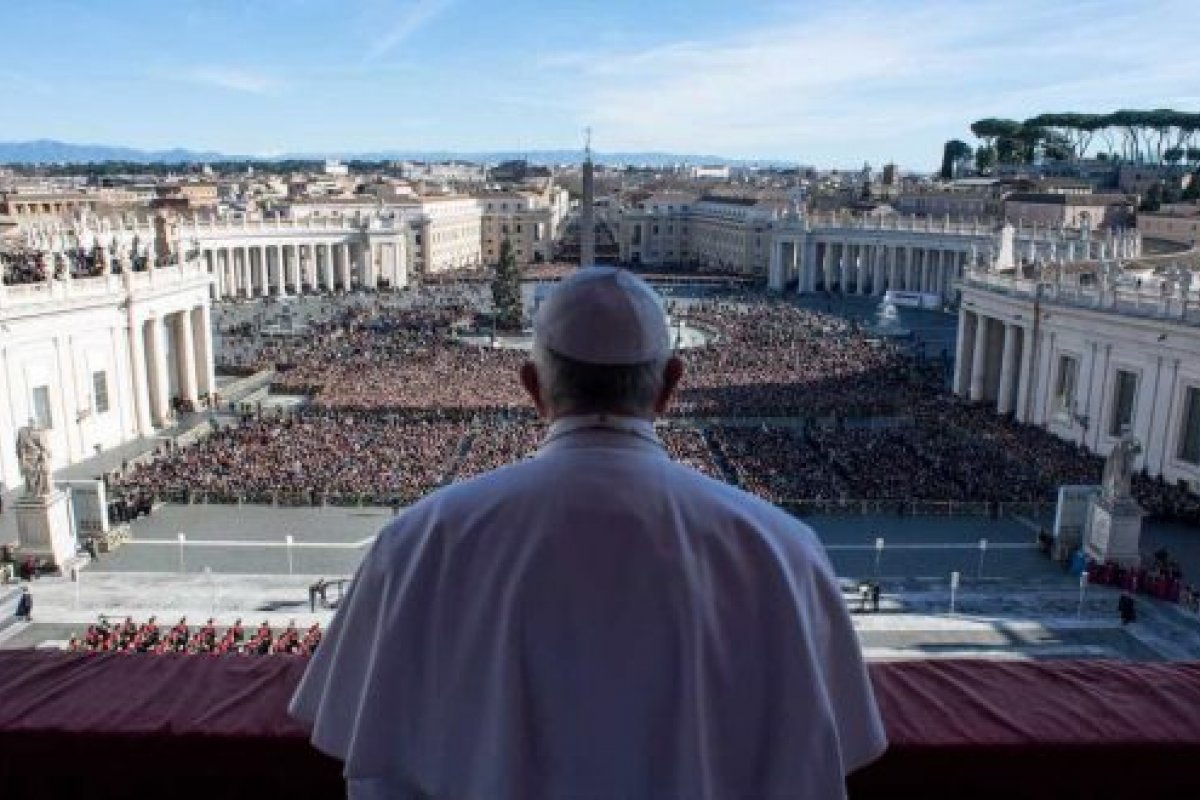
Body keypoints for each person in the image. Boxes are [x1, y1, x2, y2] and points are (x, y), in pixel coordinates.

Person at [291, 267, 886, 800]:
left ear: (531, 386)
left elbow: (357, 745)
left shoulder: (418, 540)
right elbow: (839, 749)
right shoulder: (783, 548)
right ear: (670, 385)